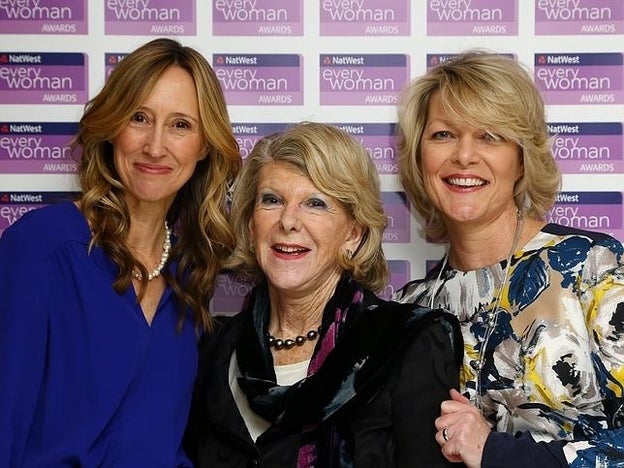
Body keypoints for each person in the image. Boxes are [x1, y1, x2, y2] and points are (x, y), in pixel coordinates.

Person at [0, 37, 241, 466]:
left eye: (181, 125)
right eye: (139, 117)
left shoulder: (190, 276)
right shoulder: (41, 248)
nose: (155, 145)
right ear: (112, 127)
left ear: (205, 145)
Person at [183, 121, 463, 467]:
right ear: (250, 223)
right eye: (271, 200)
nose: (288, 221)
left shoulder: (406, 344)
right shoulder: (213, 349)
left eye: (315, 204)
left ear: (354, 234)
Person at [393, 50, 624, 467]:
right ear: (418, 157)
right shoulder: (410, 309)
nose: (464, 156)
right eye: (443, 134)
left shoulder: (591, 268)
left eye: (490, 135)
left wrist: (497, 452)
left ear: (521, 158)